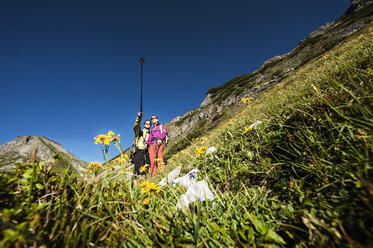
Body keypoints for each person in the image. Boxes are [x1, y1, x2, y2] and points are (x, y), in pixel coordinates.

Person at [133, 112, 151, 184]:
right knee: (137, 169)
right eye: (146, 123)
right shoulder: (139, 132)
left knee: (146, 169)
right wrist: (139, 118)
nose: (147, 124)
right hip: (139, 151)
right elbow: (136, 126)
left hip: (147, 152)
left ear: (150, 126)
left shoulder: (151, 134)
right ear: (143, 125)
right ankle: (135, 187)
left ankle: (144, 185)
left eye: (149, 124)